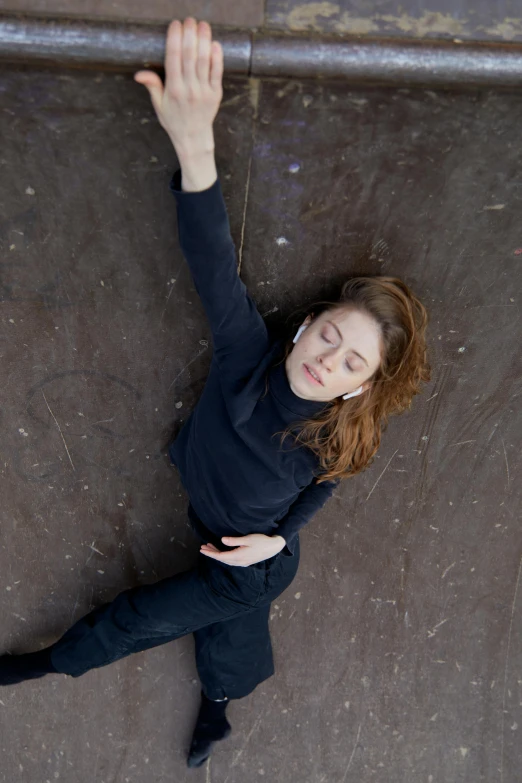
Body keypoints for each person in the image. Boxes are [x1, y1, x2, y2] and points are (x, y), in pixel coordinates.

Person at [0, 17, 431, 769]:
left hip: (249, 563)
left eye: (352, 360)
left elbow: (329, 485)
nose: (331, 360)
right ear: (301, 332)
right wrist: (194, 143)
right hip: (212, 517)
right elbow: (212, 266)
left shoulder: (338, 436)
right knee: (232, 641)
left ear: (360, 384)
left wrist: (278, 539)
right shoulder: (246, 356)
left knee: (148, 619)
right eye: (328, 336)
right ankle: (222, 699)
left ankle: (52, 668)